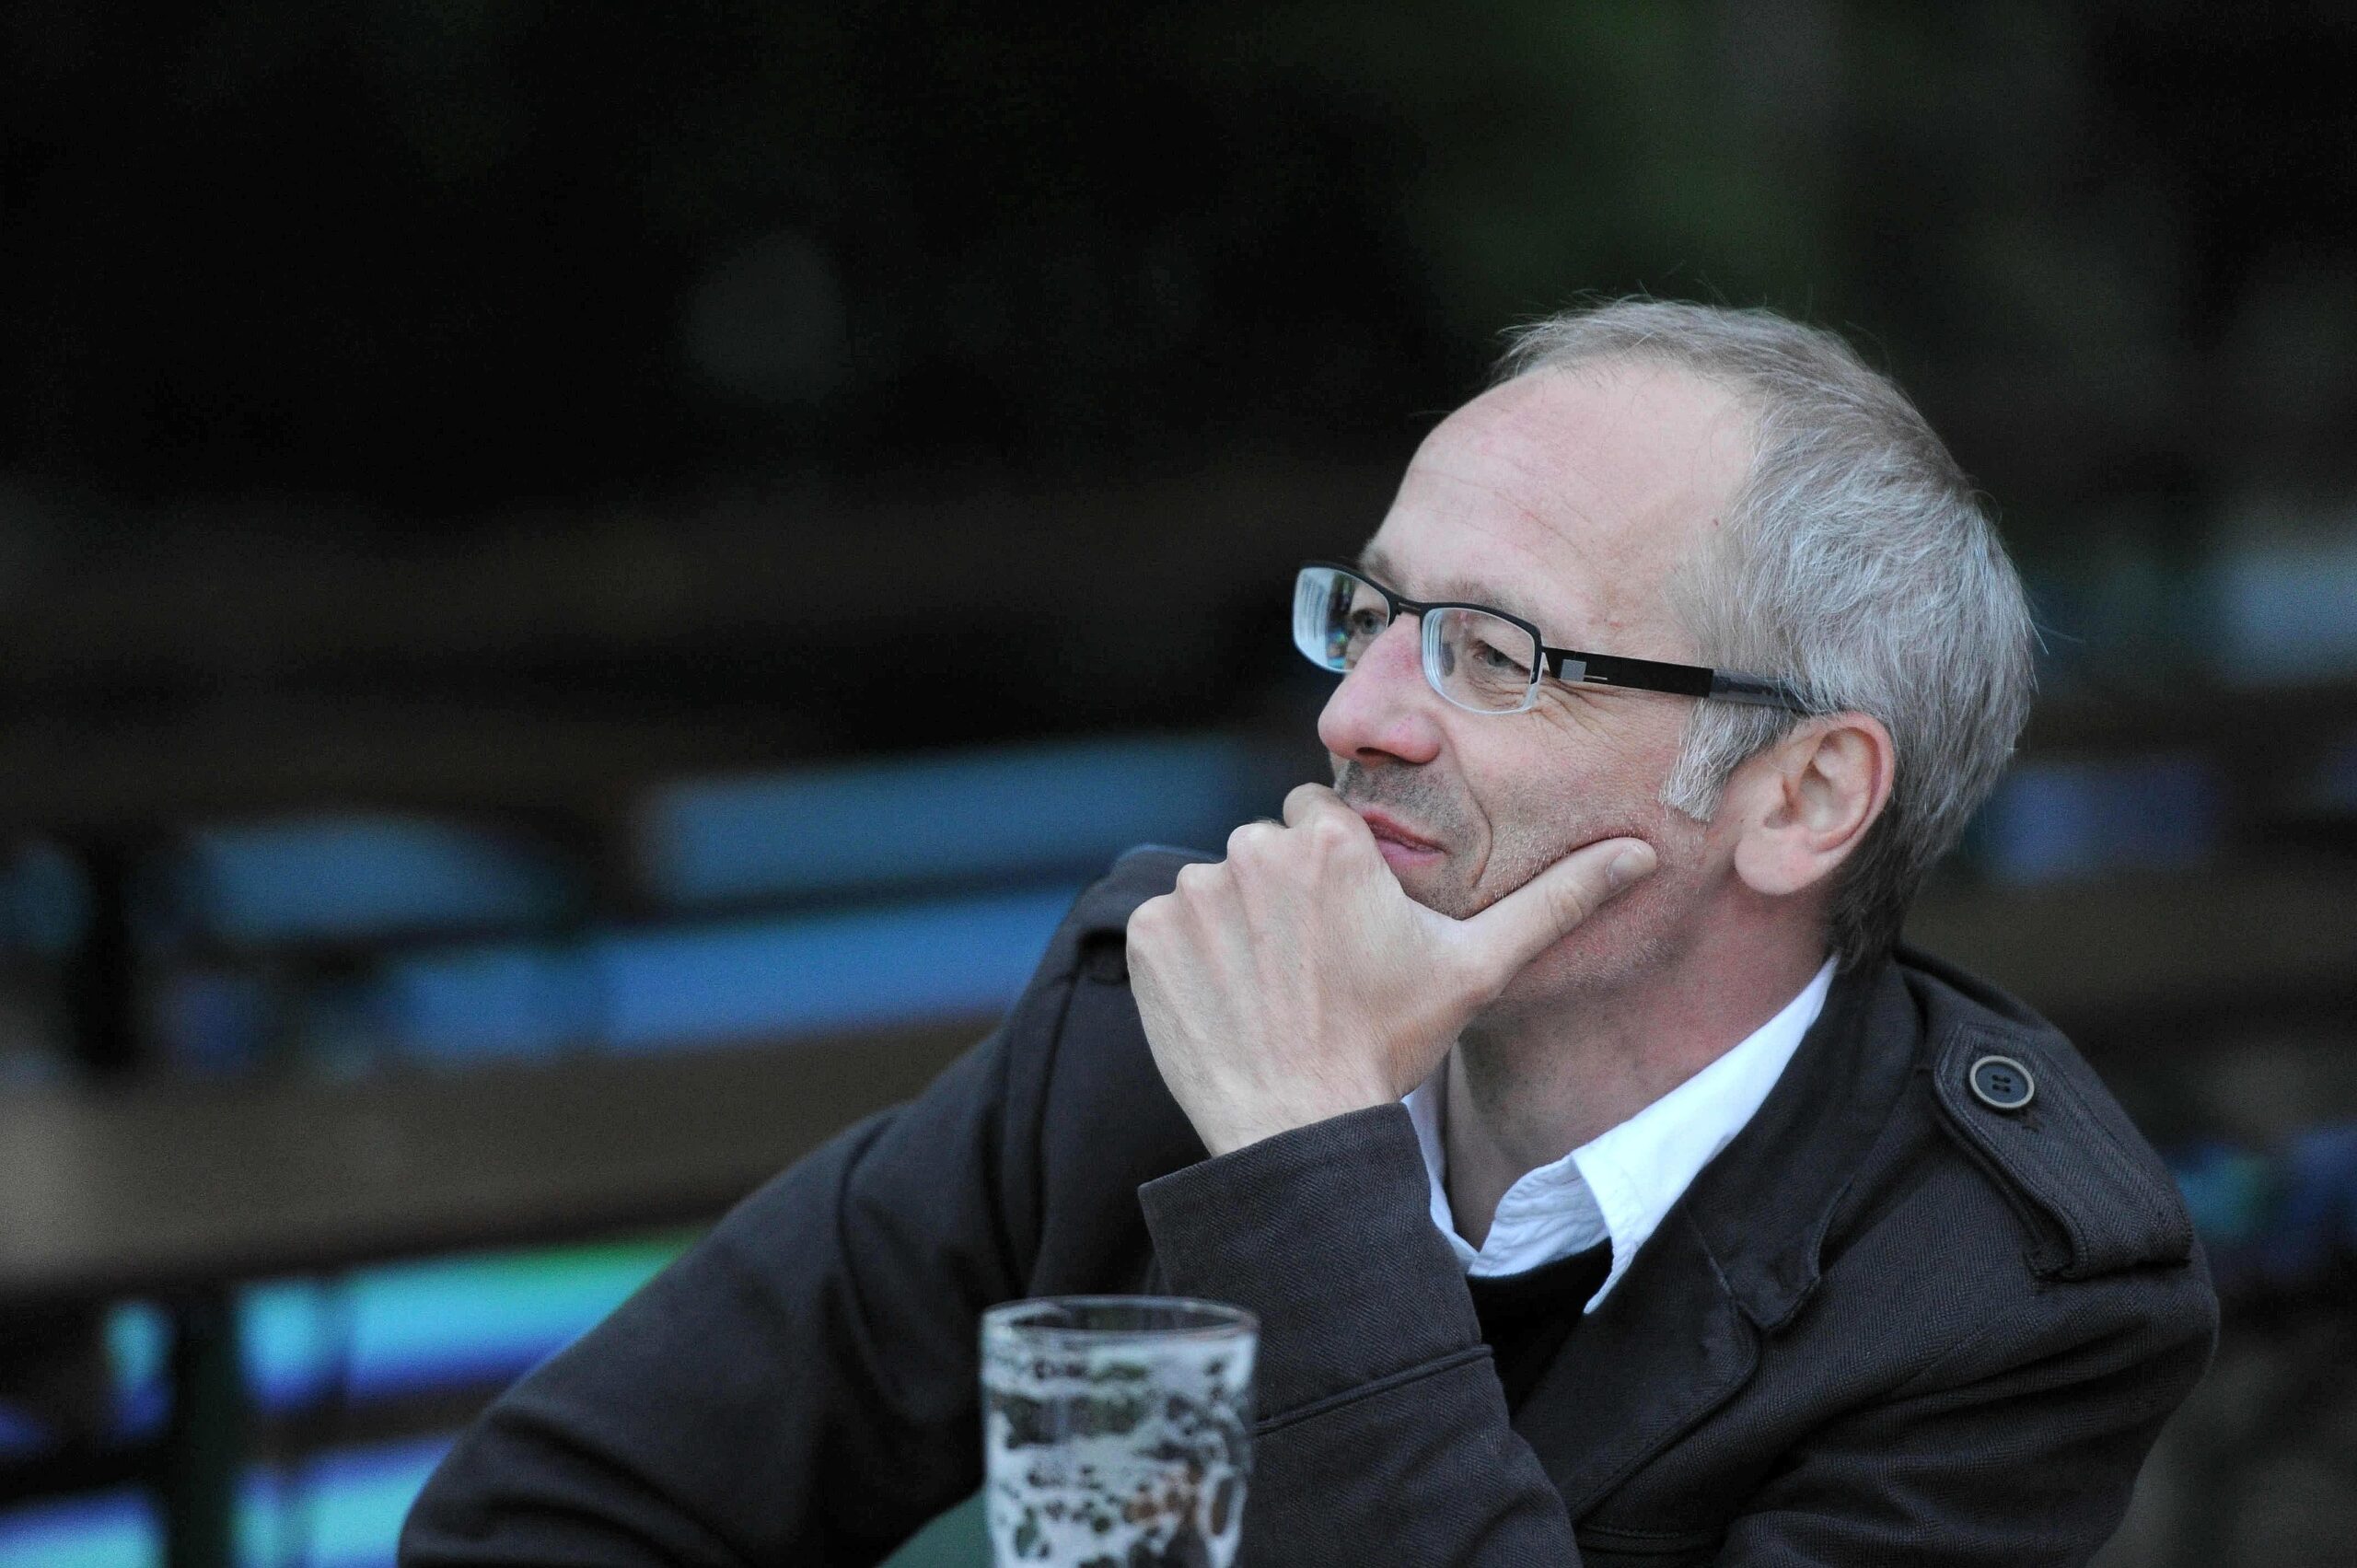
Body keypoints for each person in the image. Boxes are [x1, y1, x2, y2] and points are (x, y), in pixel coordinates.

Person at [401, 301, 2215, 1566]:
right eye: (1366, 614)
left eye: (1491, 656)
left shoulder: (2009, 1292)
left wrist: (1301, 1160)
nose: (1355, 718)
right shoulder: (1148, 1026)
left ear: (1801, 796)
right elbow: (548, 1517)